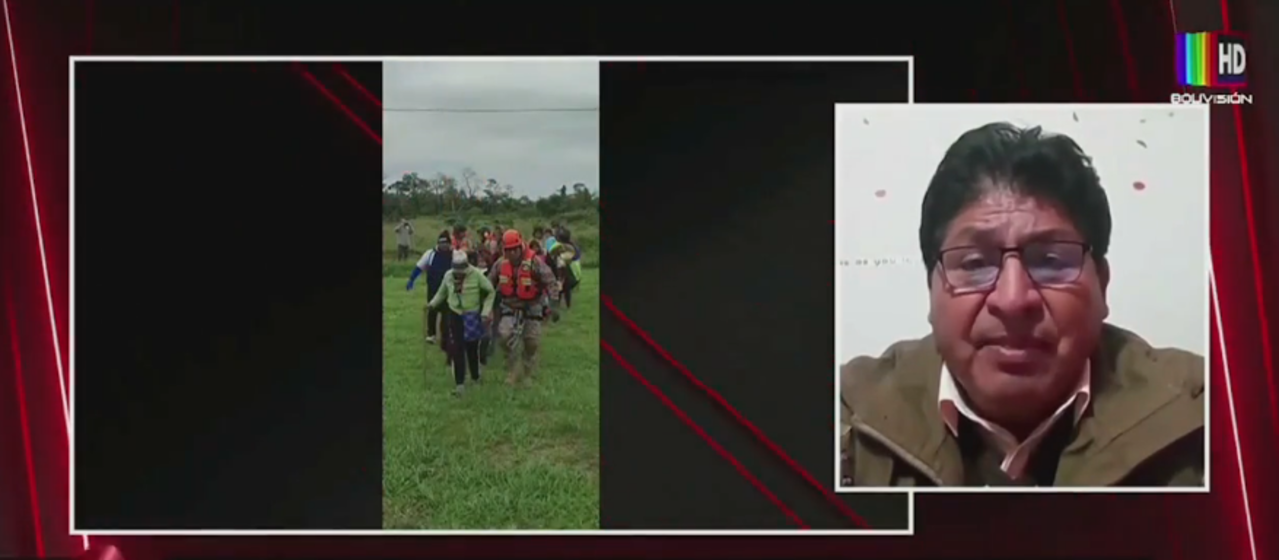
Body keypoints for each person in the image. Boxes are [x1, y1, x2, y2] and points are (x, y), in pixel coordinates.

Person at [839, 122, 1204, 488]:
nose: (1013, 300)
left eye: (1050, 260)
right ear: (930, 288)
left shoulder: (1211, 416)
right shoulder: (846, 422)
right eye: (975, 263)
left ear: (1102, 285)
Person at [488, 229, 559, 386]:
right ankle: (512, 369)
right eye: (508, 250)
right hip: (509, 305)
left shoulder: (535, 262)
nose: (512, 253)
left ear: (521, 247)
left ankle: (527, 372)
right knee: (504, 336)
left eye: (515, 249)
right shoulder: (500, 264)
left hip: (532, 304)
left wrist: (553, 304)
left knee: (531, 341)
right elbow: (488, 284)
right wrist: (486, 307)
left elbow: (551, 281)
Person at [428, 250, 496, 396]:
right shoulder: (448, 276)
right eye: (456, 271)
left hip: (472, 315)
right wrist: (432, 305)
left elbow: (491, 291)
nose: (459, 274)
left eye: (461, 271)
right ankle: (459, 384)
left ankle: (475, 376)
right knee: (457, 348)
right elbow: (442, 292)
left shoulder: (476, 274)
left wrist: (485, 312)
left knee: (472, 348)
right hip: (455, 315)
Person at [407, 234, 453, 344]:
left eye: (446, 243)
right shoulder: (430, 254)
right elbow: (419, 267)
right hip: (433, 287)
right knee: (432, 310)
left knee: (446, 313)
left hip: (448, 289)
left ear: (449, 244)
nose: (443, 245)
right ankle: (431, 334)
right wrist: (412, 280)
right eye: (441, 243)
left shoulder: (454, 254)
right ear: (438, 243)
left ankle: (445, 336)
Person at [548, 228, 582, 310]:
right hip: (570, 273)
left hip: (568, 272)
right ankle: (562, 304)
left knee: (562, 287)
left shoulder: (568, 247)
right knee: (563, 288)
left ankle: (560, 304)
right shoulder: (571, 246)